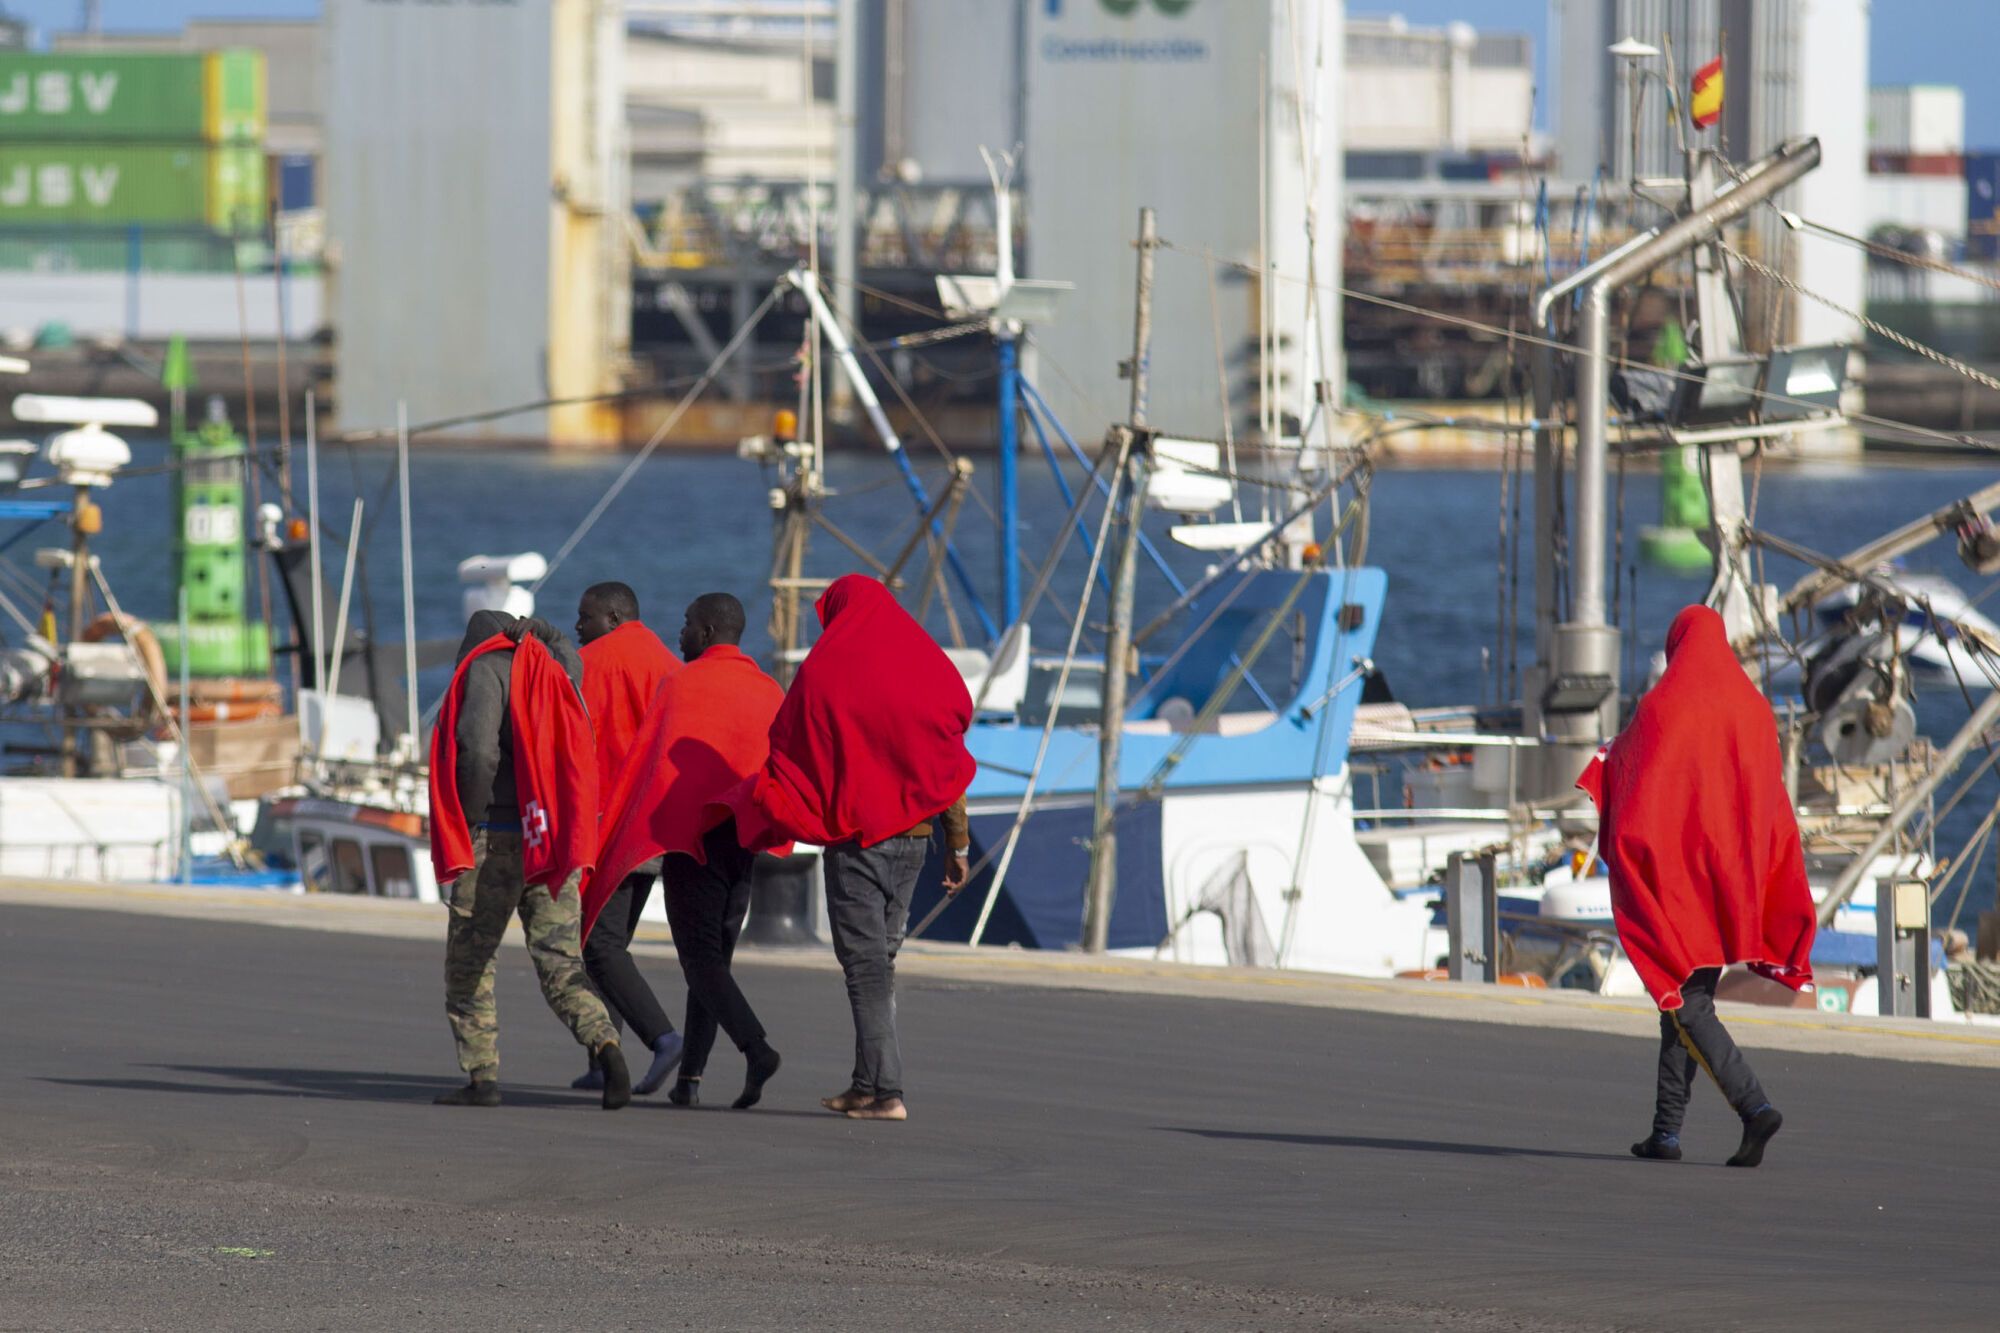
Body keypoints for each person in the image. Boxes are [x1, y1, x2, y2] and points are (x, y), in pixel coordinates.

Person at [724, 574, 974, 1123]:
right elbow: (945, 763)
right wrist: (957, 844)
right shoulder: (925, 664)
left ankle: (888, 1092)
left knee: (864, 968)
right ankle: (866, 1085)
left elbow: (788, 741)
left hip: (856, 840)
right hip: (915, 840)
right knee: (879, 963)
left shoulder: (825, 671)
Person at [1577, 605, 1815, 1168]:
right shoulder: (1754, 708)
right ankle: (1665, 1133)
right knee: (1681, 999)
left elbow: (1635, 773)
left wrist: (1604, 762)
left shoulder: (1663, 705)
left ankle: (1754, 1106)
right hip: (1729, 878)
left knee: (1683, 999)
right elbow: (1766, 797)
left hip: (1681, 881)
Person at [428, 610, 629, 1110]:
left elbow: (477, 752)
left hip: (496, 837)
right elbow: (572, 659)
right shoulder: (555, 668)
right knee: (561, 962)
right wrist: (545, 631)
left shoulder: (484, 669)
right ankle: (606, 1045)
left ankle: (482, 1078)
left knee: (471, 963)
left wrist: (468, 819)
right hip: (553, 840)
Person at [595, 593, 789, 1110]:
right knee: (714, 961)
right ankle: (691, 1081)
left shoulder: (681, 684)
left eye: (684, 626)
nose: (678, 636)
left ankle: (756, 1047)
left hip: (695, 841)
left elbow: (647, 770)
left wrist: (624, 836)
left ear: (705, 632)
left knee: (699, 960)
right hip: (744, 840)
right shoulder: (768, 689)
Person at [571, 581, 685, 1096]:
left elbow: (571, 743)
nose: (578, 626)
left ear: (614, 617)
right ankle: (603, 1059)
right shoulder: (667, 663)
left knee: (598, 945)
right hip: (654, 827)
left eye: (586, 616)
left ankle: (661, 1037)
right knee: (609, 942)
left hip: (608, 824)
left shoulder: (592, 663)